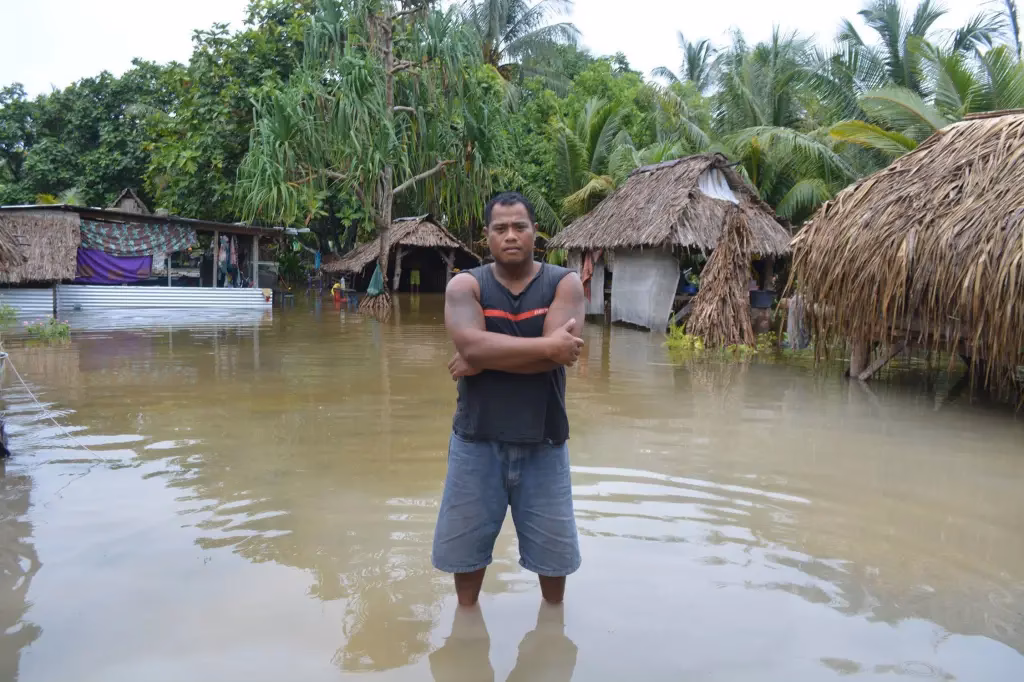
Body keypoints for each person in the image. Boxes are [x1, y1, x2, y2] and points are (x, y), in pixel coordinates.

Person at [432, 191, 586, 606]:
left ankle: (551, 624)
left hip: (545, 441)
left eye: (520, 226)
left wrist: (483, 357)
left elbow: (559, 355)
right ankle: (467, 624)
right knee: (465, 555)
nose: (511, 235)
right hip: (476, 440)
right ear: (487, 236)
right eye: (500, 228)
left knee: (554, 559)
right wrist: (545, 348)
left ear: (536, 232)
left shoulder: (564, 283)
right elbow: (476, 347)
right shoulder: (466, 284)